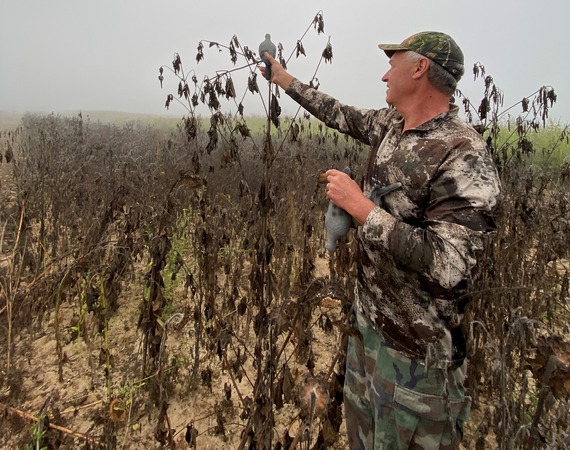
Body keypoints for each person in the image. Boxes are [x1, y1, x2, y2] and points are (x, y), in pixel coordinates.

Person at [261, 31, 501, 449]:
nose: (384, 75)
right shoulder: (392, 125)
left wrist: (362, 209)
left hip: (418, 359)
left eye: (393, 64)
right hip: (368, 333)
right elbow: (337, 113)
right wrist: (284, 79)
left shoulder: (462, 154)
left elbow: (453, 266)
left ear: (420, 68)